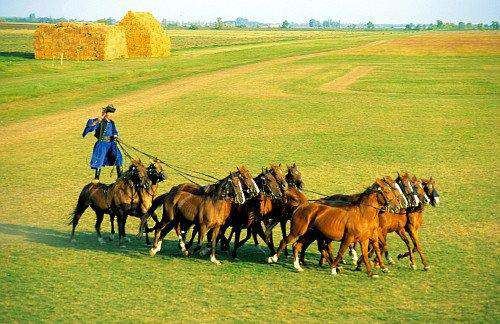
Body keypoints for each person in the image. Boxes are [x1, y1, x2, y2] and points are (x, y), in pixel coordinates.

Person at [82, 104, 123, 183]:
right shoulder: (100, 121)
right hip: (102, 144)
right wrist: (98, 120)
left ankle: (120, 176)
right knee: (99, 159)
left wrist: (115, 136)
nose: (112, 115)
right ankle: (96, 178)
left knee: (118, 157)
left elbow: (114, 131)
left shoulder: (112, 123)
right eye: (110, 113)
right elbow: (90, 126)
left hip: (111, 143)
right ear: (106, 113)